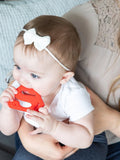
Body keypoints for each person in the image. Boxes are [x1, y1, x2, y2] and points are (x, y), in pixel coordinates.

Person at [15, 0, 120, 160]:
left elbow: (85, 139)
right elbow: (29, 70)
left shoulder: (73, 94)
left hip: (93, 137)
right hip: (41, 126)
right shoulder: (91, 21)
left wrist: (112, 120)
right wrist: (27, 138)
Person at [0, 15, 107, 160]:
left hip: (79, 139)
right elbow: (8, 130)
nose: (22, 79)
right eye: (17, 66)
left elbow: (85, 139)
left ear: (63, 78)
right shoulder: (19, 85)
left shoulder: (73, 94)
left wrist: (54, 127)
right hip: (38, 132)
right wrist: (7, 109)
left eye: (34, 75)